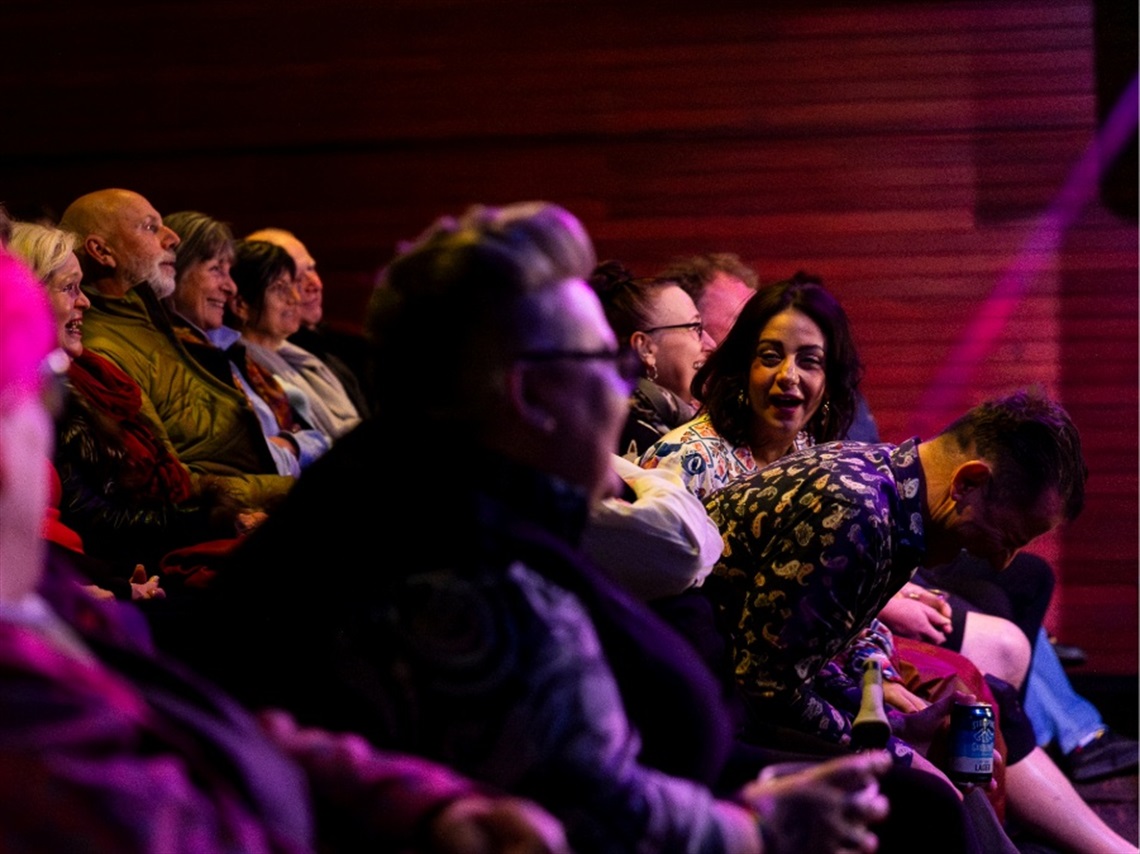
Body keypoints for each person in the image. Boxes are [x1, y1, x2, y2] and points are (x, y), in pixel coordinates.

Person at [157, 201, 894, 854]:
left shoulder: (404, 481)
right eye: (604, 363)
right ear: (533, 395)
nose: (623, 388)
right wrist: (757, 830)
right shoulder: (461, 571)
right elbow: (601, 817)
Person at [0, 245, 573, 854]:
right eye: (44, 391)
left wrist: (414, 803)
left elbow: (210, 724)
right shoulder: (27, 730)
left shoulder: (41, 597)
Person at [704, 388, 1137, 852]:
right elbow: (766, 687)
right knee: (933, 796)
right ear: (967, 483)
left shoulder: (891, 490)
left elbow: (835, 633)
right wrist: (898, 750)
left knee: (957, 769)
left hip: (753, 687)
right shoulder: (858, 511)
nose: (1002, 562)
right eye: (1008, 537)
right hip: (719, 705)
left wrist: (889, 704)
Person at [7, 221, 232, 571]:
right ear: (26, 297)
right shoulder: (34, 391)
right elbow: (95, 522)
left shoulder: (87, 376)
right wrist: (215, 517)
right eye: (69, 288)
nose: (85, 302)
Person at [57, 189, 291, 512]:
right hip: (231, 510)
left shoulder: (144, 318)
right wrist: (290, 488)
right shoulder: (102, 348)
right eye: (151, 227)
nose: (173, 238)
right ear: (101, 251)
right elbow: (174, 483)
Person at [164, 211, 330, 478]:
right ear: (172, 272)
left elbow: (321, 442)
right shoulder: (176, 357)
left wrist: (290, 446)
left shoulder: (228, 352)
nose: (230, 288)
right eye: (216, 269)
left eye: (229, 272)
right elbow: (242, 463)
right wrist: (295, 446)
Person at [229, 240, 362, 442]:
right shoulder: (244, 372)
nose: (294, 298)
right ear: (242, 305)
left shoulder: (302, 358)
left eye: (292, 285)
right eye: (279, 288)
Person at [589, 259, 717, 458]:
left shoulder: (680, 428)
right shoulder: (637, 440)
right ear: (645, 348)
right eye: (695, 328)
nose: (711, 344)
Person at [245, 226, 372, 417]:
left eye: (311, 268)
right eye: (295, 278)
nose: (314, 285)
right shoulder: (266, 367)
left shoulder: (348, 345)